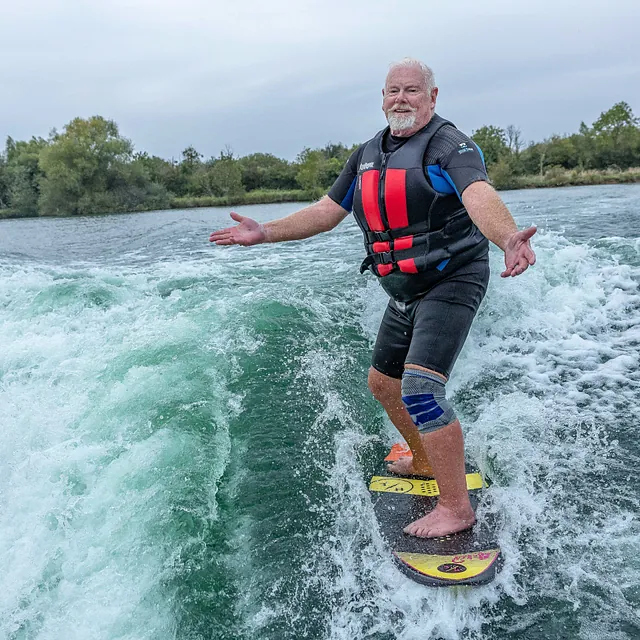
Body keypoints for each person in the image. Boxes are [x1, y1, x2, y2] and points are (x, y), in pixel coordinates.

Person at [210, 58, 536, 539]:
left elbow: (478, 194)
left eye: (411, 90)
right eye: (392, 91)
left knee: (421, 390)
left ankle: (456, 508)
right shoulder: (367, 154)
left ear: (432, 97)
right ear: (382, 98)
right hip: (403, 288)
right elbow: (326, 212)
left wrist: (507, 237)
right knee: (383, 384)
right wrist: (266, 232)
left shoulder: (452, 146)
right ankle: (424, 459)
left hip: (452, 279)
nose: (400, 99)